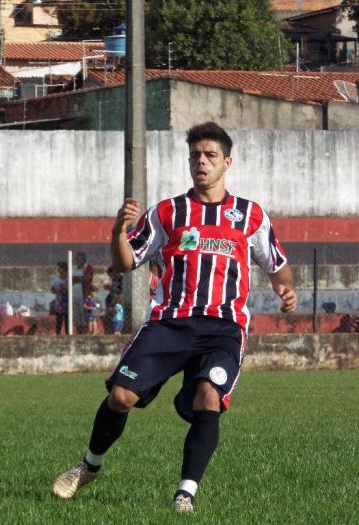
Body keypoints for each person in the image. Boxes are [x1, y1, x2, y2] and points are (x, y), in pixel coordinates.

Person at [52, 122, 298, 512]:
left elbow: (278, 264)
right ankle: (89, 466)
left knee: (208, 396)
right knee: (120, 396)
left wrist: (285, 287)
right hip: (170, 323)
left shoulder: (250, 215)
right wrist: (118, 231)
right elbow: (126, 261)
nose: (201, 162)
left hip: (223, 328)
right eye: (195, 156)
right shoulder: (168, 212)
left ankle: (185, 494)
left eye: (210, 156)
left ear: (227, 162)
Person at [72, 252, 94, 334]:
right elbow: (71, 279)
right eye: (76, 259)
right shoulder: (74, 269)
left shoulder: (88, 268)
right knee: (77, 318)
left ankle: (86, 333)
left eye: (78, 259)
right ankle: (79, 334)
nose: (77, 261)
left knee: (85, 316)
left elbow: (87, 278)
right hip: (74, 296)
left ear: (83, 260)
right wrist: (79, 279)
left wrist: (77, 279)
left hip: (84, 295)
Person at [50, 262, 69, 335]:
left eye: (59, 268)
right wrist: (56, 290)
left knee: (68, 319)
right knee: (59, 320)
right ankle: (58, 334)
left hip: (68, 302)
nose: (58, 269)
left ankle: (68, 334)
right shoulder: (56, 279)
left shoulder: (69, 278)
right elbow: (52, 290)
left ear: (63, 268)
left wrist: (64, 289)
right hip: (59, 302)